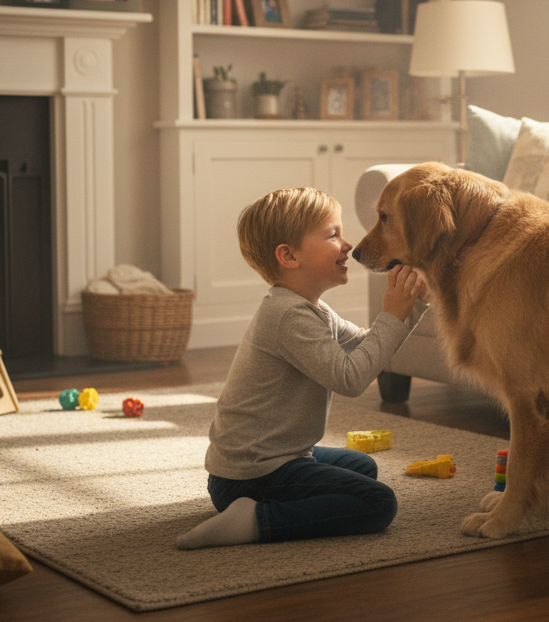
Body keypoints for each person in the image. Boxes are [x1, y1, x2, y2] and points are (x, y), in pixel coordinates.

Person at [176, 187, 428, 549]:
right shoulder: (287, 315)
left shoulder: (311, 309)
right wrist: (392, 313)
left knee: (363, 469)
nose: (347, 244)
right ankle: (255, 520)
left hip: (269, 459)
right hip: (251, 473)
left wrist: (413, 306)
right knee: (377, 502)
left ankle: (258, 506)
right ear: (289, 256)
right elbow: (351, 377)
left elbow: (367, 347)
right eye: (333, 234)